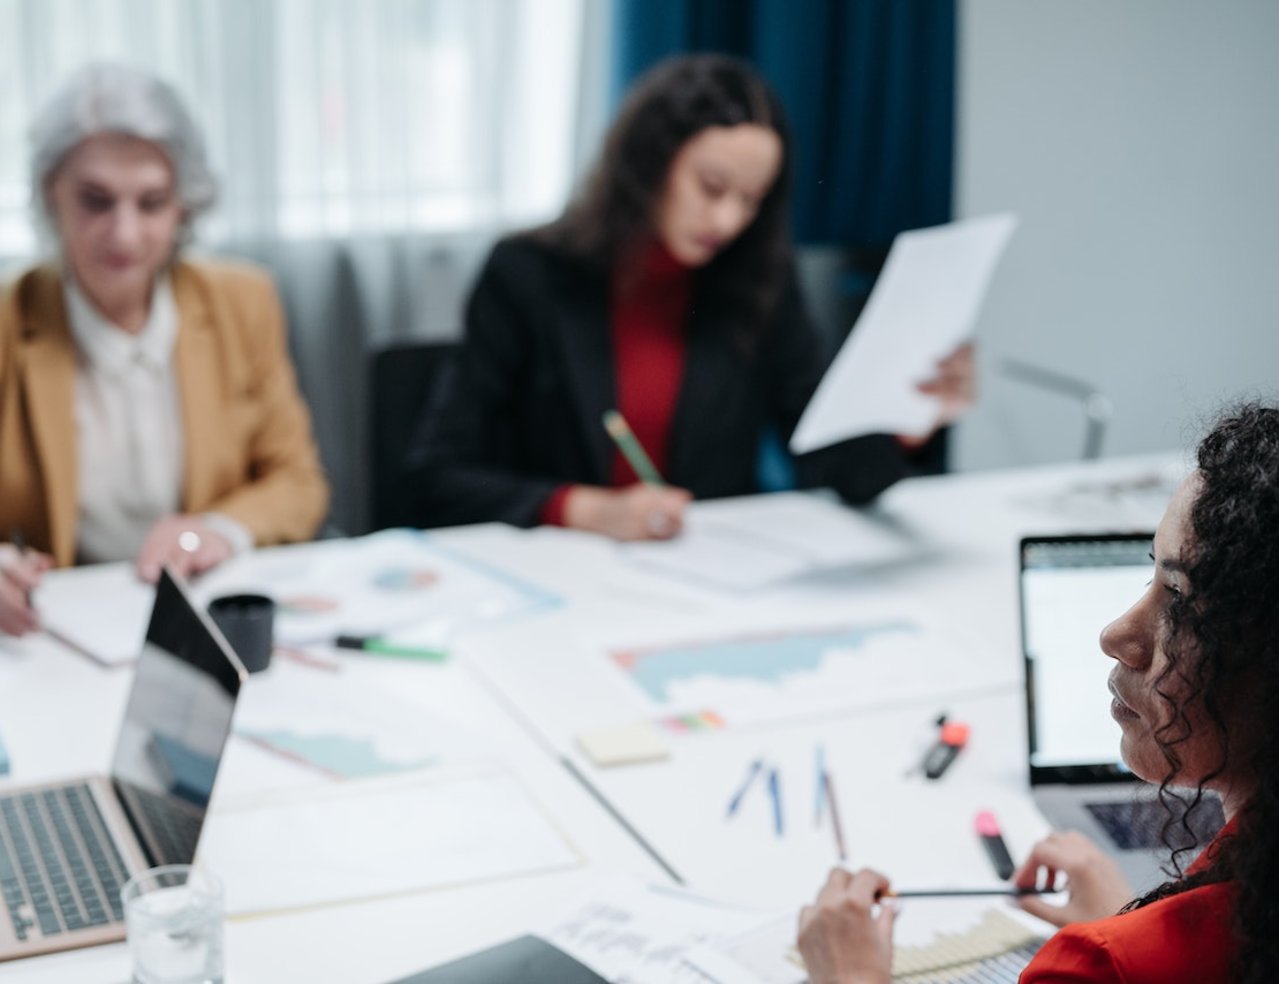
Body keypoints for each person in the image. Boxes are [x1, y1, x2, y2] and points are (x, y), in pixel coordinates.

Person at [796, 402, 1279, 984]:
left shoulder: (1100, 967)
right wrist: (1135, 922)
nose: (1116, 635)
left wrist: (852, 975)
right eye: (1150, 572)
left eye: (1177, 598)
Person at [404, 54, 974, 541]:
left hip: (705, 579)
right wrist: (584, 510)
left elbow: (830, 462)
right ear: (650, 161)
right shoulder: (528, 274)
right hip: (560, 573)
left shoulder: (760, 281)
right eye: (711, 187)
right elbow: (433, 475)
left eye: (750, 200)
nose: (727, 221)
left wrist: (909, 421)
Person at [0, 63, 329, 636]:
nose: (124, 235)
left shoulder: (243, 302)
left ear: (185, 206)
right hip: (57, 633)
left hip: (205, 621)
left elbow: (298, 482)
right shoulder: (9, 319)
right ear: (52, 194)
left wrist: (218, 530)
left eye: (151, 203)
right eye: (95, 201)